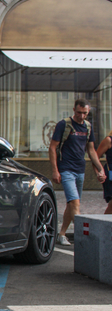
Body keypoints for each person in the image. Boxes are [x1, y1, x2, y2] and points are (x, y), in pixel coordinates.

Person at [49, 99, 106, 246]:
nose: (82, 116)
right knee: (75, 202)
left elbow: (91, 150)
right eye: (79, 112)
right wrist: (55, 170)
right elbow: (52, 147)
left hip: (80, 169)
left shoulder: (87, 126)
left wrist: (100, 169)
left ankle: (61, 234)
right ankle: (85, 240)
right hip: (66, 169)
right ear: (74, 109)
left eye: (85, 113)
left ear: (88, 112)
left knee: (72, 204)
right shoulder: (64, 124)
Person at [94, 130, 112, 214]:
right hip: (110, 175)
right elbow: (95, 158)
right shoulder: (109, 140)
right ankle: (103, 226)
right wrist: (99, 172)